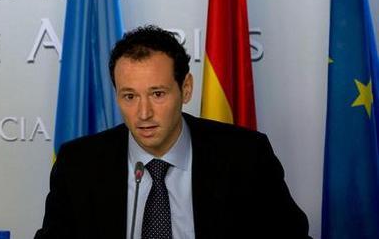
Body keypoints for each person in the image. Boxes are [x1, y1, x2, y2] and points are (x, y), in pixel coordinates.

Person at [35, 25, 309, 239]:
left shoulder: (246, 157)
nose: (143, 114)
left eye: (157, 94)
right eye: (129, 97)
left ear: (186, 89)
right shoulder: (78, 165)